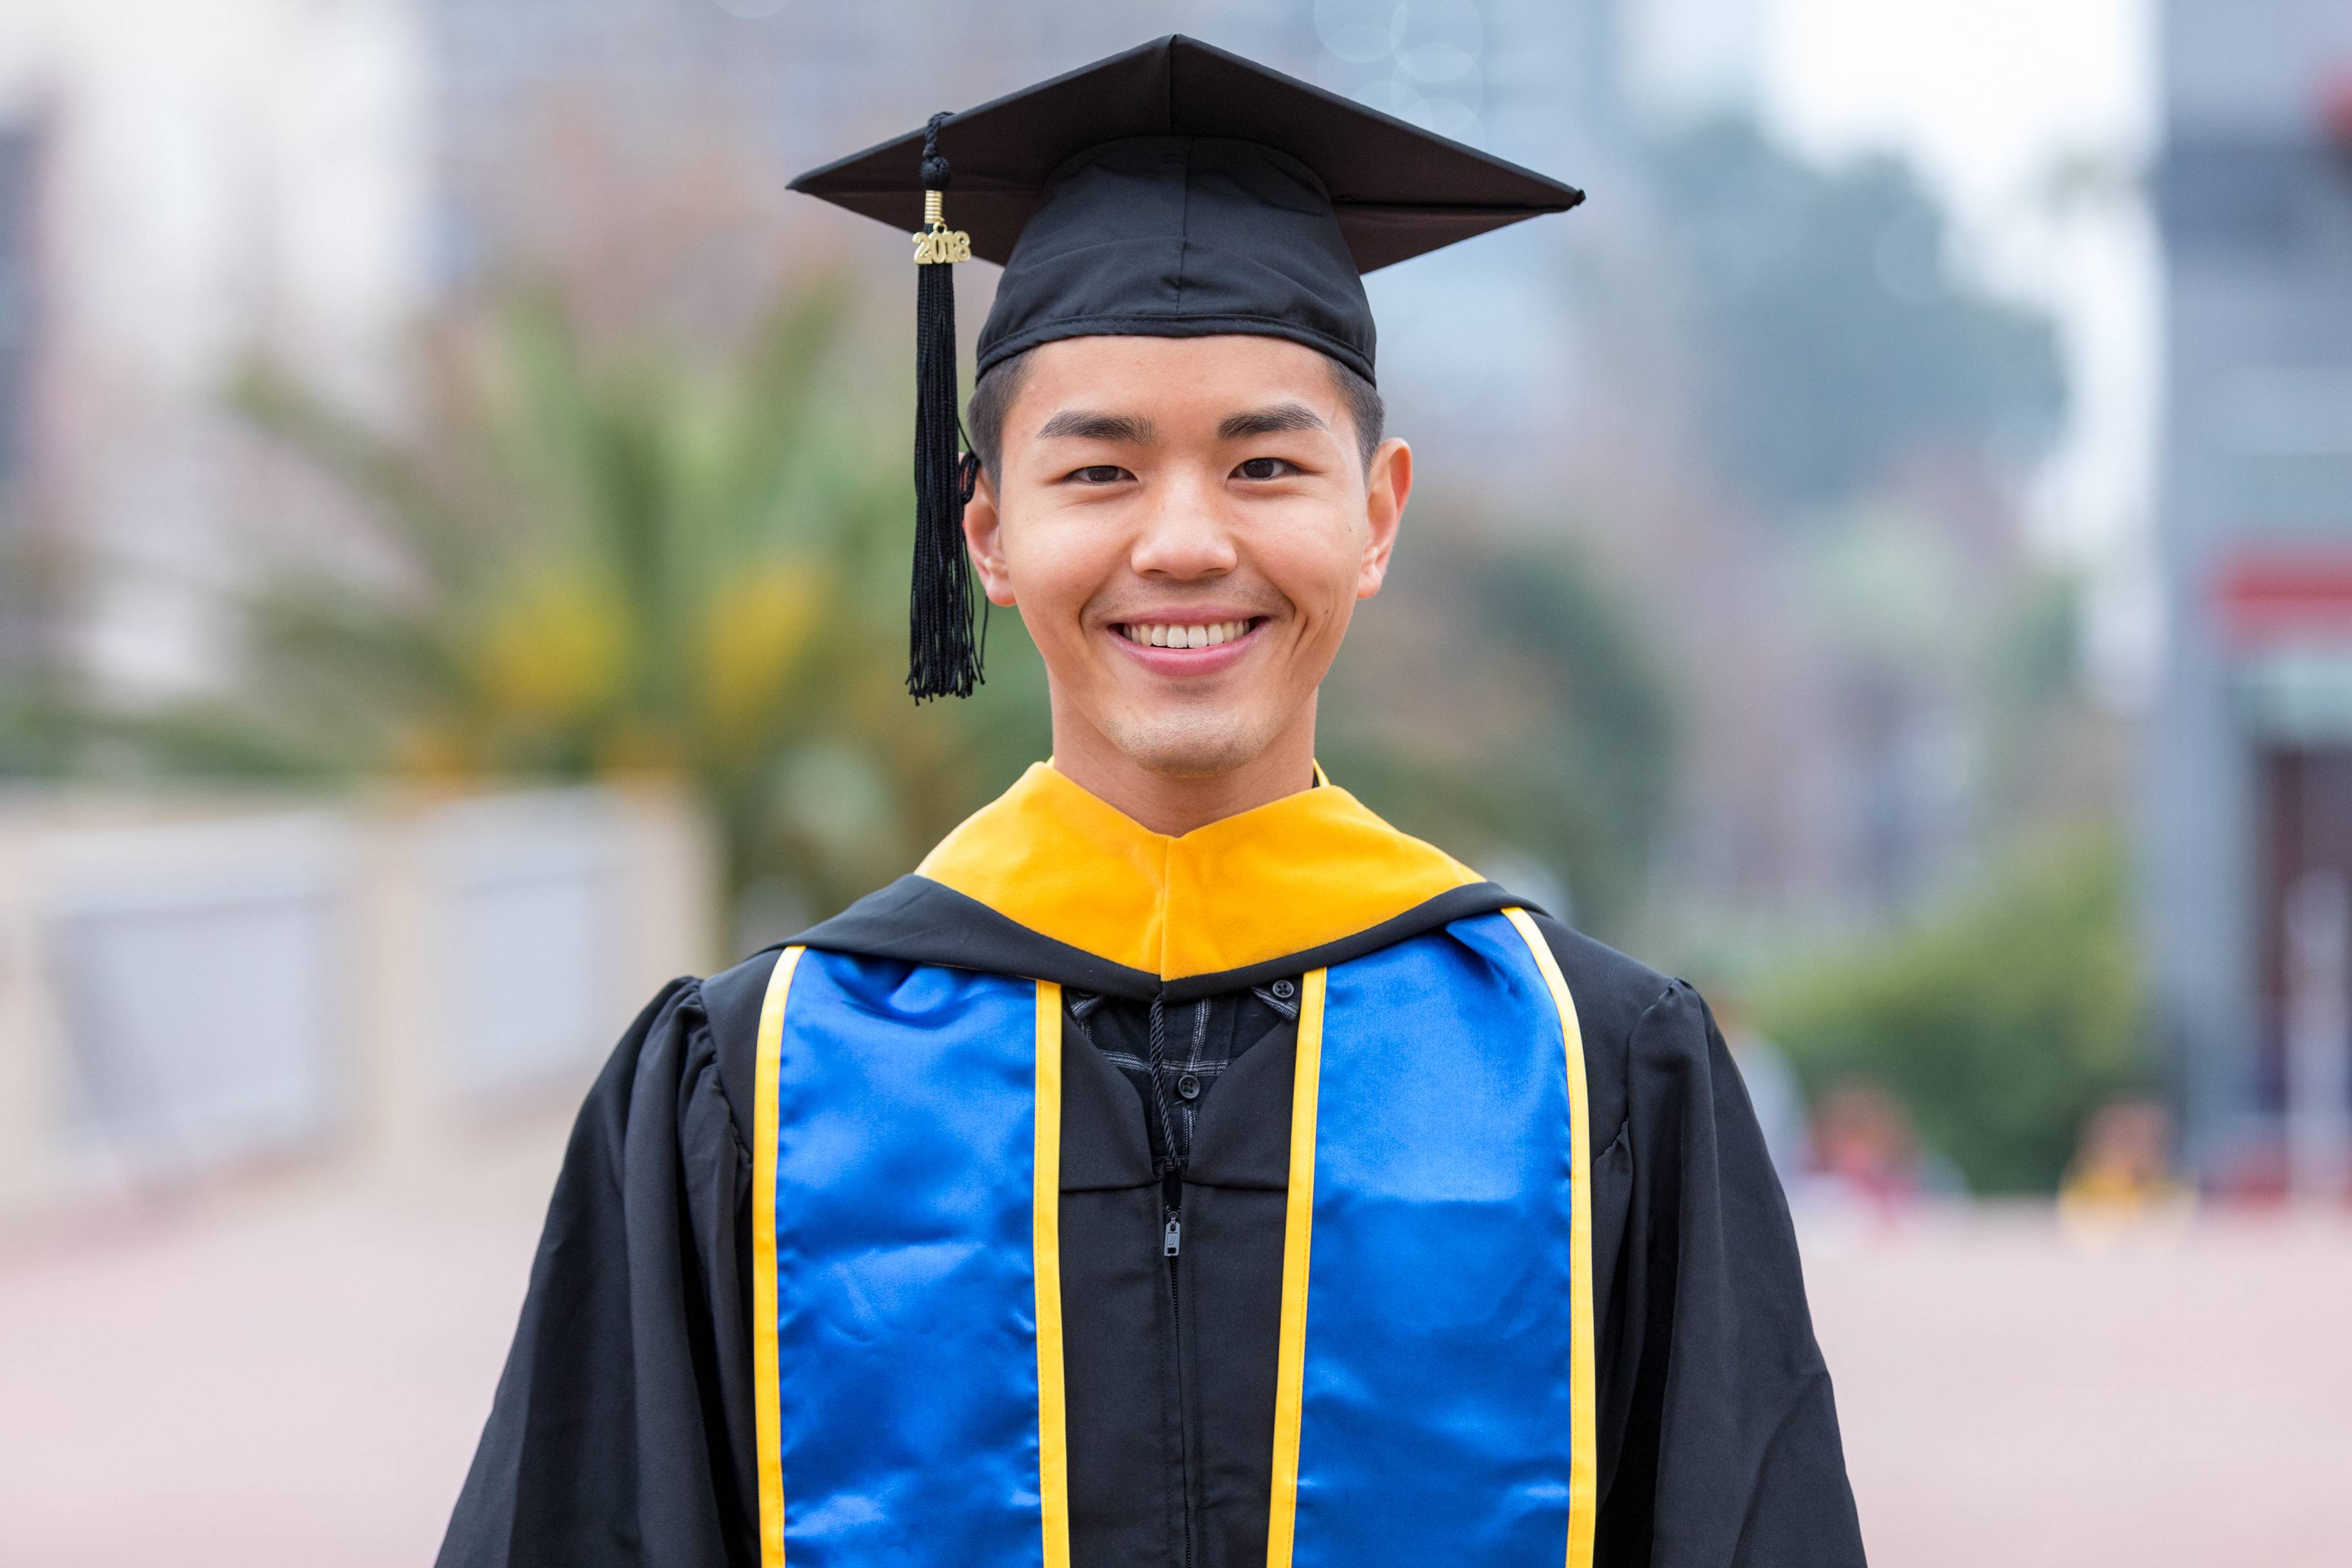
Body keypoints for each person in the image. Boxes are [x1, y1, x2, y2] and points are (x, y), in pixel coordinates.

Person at [437, 36, 1865, 1568]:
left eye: (1262, 466)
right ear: (982, 529)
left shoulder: (1591, 1076)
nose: (1183, 544)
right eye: (1099, 474)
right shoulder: (762, 1082)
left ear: (1374, 515)